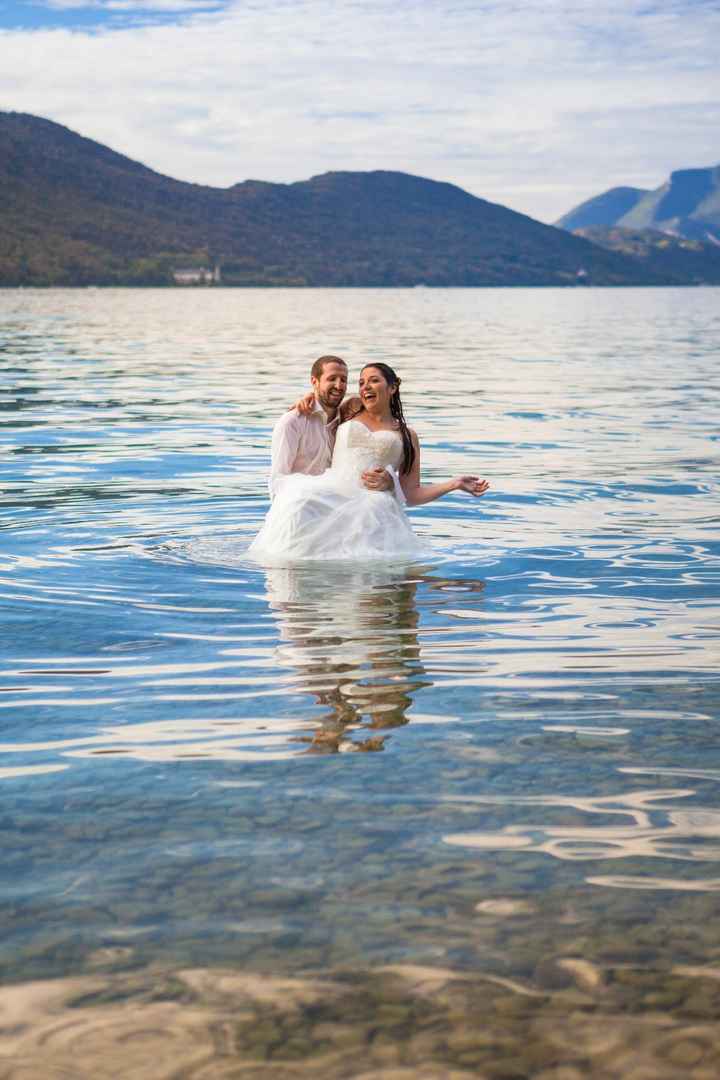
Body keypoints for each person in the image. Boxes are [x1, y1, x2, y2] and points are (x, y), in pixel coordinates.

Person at [248, 362, 489, 563]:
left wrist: (452, 484)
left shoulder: (408, 435)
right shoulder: (351, 409)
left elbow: (411, 493)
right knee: (300, 504)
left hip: (374, 505)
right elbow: (326, 403)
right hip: (332, 492)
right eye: (361, 382)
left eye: (373, 380)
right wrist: (309, 396)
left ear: (392, 387)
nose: (365, 387)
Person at [268, 354, 393, 500]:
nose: (339, 386)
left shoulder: (349, 419)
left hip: (339, 508)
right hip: (303, 508)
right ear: (314, 381)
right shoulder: (292, 422)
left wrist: (391, 482)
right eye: (332, 379)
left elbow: (379, 401)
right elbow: (277, 480)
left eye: (343, 380)